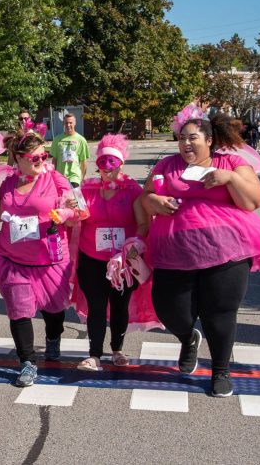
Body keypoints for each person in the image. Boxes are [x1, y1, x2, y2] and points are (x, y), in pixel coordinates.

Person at [141, 104, 260, 398]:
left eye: (192, 137)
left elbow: (253, 201)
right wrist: (154, 201)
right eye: (181, 138)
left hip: (227, 250)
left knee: (219, 312)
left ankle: (220, 370)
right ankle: (187, 338)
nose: (185, 143)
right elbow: (147, 195)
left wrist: (229, 179)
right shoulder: (166, 165)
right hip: (174, 251)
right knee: (169, 309)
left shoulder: (231, 163)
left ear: (209, 140)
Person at [73, 134, 159, 372]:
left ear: (121, 163)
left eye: (112, 162)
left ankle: (117, 348)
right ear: (97, 164)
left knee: (120, 306)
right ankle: (94, 355)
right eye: (102, 162)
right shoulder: (87, 189)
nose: (107, 168)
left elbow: (144, 225)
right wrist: (70, 209)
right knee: (96, 305)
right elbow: (76, 218)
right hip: (91, 257)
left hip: (123, 261)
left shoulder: (132, 190)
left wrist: (134, 245)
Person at [0, 129, 73, 387]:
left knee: (54, 311)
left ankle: (53, 338)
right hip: (12, 258)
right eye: (35, 158)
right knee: (19, 311)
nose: (42, 161)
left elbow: (78, 207)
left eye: (44, 156)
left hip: (49, 258)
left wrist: (66, 214)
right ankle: (27, 361)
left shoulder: (56, 178)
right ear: (18, 158)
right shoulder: (8, 183)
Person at [50, 113, 89, 187]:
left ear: (75, 123)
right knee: (62, 198)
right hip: (60, 176)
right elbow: (54, 160)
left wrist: (82, 178)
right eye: (66, 123)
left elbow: (83, 161)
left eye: (70, 123)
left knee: (73, 197)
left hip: (74, 177)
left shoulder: (81, 140)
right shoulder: (57, 139)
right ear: (63, 124)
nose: (68, 125)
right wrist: (53, 174)